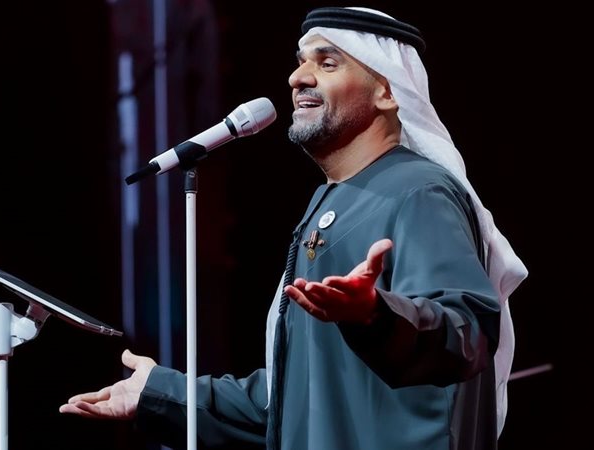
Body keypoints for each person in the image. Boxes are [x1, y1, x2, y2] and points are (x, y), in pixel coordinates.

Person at [60, 6, 527, 450]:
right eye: (301, 61)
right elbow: (293, 400)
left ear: (388, 91)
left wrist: (376, 315)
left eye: (327, 63)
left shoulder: (417, 191)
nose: (298, 77)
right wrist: (160, 394)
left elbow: (466, 333)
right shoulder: (333, 200)